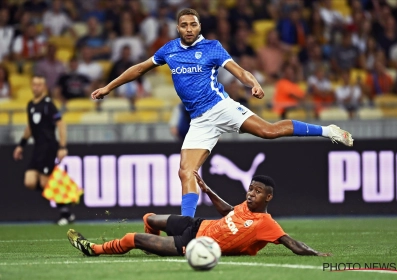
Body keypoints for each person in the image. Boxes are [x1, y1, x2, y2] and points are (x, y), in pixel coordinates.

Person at [90, 8, 354, 218]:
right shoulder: (168, 50)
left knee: (268, 131)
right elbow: (138, 69)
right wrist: (108, 87)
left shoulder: (212, 47)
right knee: (186, 172)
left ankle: (327, 130)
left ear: (199, 26)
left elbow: (239, 71)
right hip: (199, 121)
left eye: (193, 24)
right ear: (178, 27)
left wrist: (253, 83)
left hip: (221, 107)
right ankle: (186, 226)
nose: (189, 29)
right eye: (184, 25)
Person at [67, 171, 331, 257]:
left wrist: (315, 253)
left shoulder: (266, 223)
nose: (251, 193)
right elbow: (228, 210)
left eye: (257, 191)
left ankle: (94, 249)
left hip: (192, 244)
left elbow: (291, 243)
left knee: (131, 238)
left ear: (268, 197)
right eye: (251, 189)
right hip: (195, 225)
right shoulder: (245, 207)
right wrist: (206, 189)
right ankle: (153, 249)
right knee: (149, 218)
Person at [13, 75, 73, 226]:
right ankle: (64, 204)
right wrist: (21, 144)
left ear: (44, 87)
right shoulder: (30, 105)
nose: (36, 87)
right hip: (37, 148)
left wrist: (62, 146)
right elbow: (30, 127)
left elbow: (61, 124)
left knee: (45, 181)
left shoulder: (48, 104)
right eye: (34, 84)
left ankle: (65, 212)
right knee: (30, 181)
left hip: (49, 147)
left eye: (39, 85)